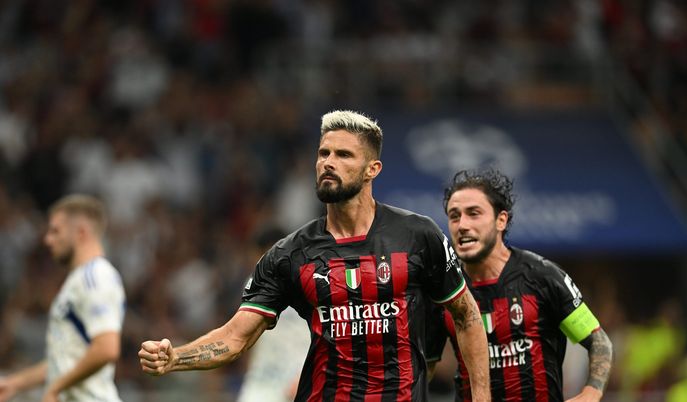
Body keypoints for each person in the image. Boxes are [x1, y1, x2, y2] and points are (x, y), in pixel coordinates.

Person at [138, 110, 491, 401]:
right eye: (324, 154)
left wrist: (481, 396)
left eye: (343, 155)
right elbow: (235, 337)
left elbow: (467, 316)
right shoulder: (289, 253)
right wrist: (176, 357)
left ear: (372, 169)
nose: (328, 163)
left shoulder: (418, 235)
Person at [427, 169, 613, 402]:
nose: (462, 225)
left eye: (474, 213)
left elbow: (598, 340)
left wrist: (591, 393)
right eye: (454, 216)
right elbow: (426, 366)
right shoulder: (444, 289)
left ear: (501, 220)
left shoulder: (542, 276)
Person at [0, 194, 126, 402]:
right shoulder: (77, 280)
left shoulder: (95, 277)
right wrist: (15, 383)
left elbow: (107, 348)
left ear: (81, 233)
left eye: (55, 231)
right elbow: (66, 361)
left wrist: (55, 388)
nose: (48, 239)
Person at [235, 225, 310, 402]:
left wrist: (307, 376)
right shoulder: (253, 285)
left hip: (299, 379)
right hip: (263, 381)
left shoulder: (309, 283)